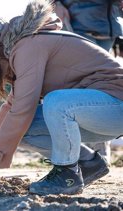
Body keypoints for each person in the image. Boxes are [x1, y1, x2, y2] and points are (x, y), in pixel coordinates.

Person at [0, 0, 123, 195]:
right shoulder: (18, 49)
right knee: (24, 129)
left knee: (56, 102)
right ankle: (87, 163)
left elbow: (23, 108)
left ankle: (66, 174)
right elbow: (12, 106)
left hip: (115, 107)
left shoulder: (27, 47)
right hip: (94, 114)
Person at [54, 0, 123, 162]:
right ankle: (90, 154)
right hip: (79, 23)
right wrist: (54, 3)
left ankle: (97, 153)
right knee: (85, 89)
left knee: (101, 90)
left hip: (109, 27)